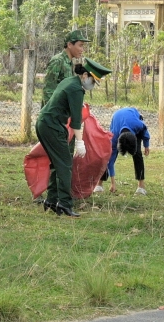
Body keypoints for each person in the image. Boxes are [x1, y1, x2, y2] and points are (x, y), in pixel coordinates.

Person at [37, 59, 111, 217]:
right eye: (93, 80)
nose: (93, 84)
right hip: (52, 126)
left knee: (57, 164)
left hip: (44, 123)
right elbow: (76, 120)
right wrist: (80, 142)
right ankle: (64, 203)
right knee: (65, 164)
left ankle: (51, 200)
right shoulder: (76, 89)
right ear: (85, 75)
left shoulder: (69, 81)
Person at [103, 107, 150, 194]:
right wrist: (113, 183)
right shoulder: (114, 137)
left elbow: (145, 131)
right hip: (117, 121)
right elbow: (110, 161)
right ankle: (99, 184)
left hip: (133, 118)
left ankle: (141, 186)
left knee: (137, 154)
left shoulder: (138, 125)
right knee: (108, 155)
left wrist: (146, 145)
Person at [42, 30, 90, 106]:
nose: (82, 50)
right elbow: (48, 90)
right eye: (80, 46)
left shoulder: (70, 63)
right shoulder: (58, 61)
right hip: (55, 110)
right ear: (70, 45)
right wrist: (52, 111)